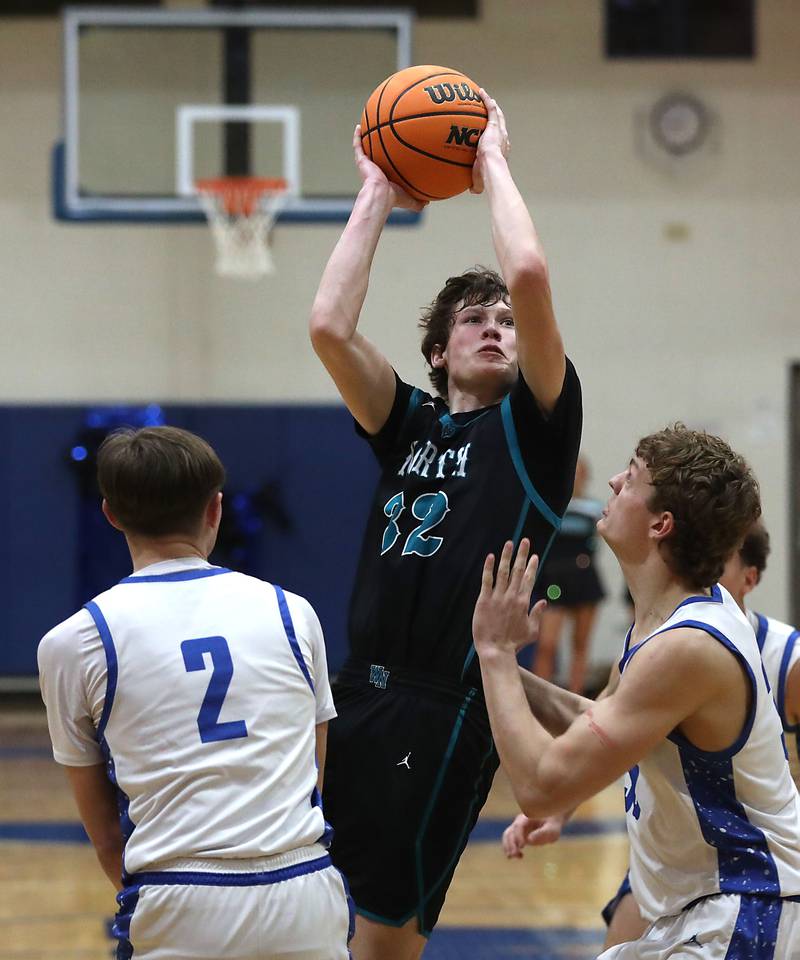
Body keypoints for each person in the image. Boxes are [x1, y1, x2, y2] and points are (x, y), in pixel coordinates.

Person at [308, 89, 582, 958]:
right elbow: (328, 326)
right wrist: (377, 189)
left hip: (441, 708)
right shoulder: (412, 425)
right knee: (310, 921)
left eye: (506, 323)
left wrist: (490, 157)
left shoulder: (534, 430)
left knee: (382, 944)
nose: (497, 329)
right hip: (351, 696)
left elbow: (527, 274)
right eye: (475, 320)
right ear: (439, 351)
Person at [474, 424, 800, 957]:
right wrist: (495, 665)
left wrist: (492, 655)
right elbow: (602, 723)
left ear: (660, 524)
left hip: (749, 909)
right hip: (709, 910)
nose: (613, 481)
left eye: (630, 477)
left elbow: (539, 785)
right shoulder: (664, 623)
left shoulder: (689, 645)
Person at [37, 426, 352, 960]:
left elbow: (106, 835)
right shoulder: (293, 612)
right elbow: (313, 777)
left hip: (179, 895)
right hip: (305, 890)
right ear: (216, 509)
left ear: (110, 514)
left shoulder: (73, 642)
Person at [600, 518, 800, 950]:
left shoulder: (787, 657)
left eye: (721, 559)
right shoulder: (657, 642)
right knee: (618, 932)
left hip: (751, 860)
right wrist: (554, 814)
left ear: (749, 579)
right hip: (677, 852)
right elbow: (594, 728)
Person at [533, 455, 606, 692]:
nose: (576, 478)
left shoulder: (595, 509)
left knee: (580, 644)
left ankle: (576, 698)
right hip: (554, 581)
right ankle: (538, 698)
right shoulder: (551, 504)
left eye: (580, 473)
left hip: (583, 578)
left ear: (586, 476)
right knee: (547, 644)